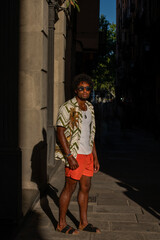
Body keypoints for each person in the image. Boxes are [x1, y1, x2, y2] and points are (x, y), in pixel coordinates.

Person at [55, 74, 100, 235]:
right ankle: (61, 224)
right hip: (74, 155)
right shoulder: (67, 107)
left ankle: (83, 222)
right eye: (81, 88)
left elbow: (91, 134)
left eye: (87, 88)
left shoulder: (90, 108)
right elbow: (60, 132)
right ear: (76, 90)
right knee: (69, 188)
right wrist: (69, 156)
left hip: (87, 155)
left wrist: (95, 156)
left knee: (86, 188)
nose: (85, 91)